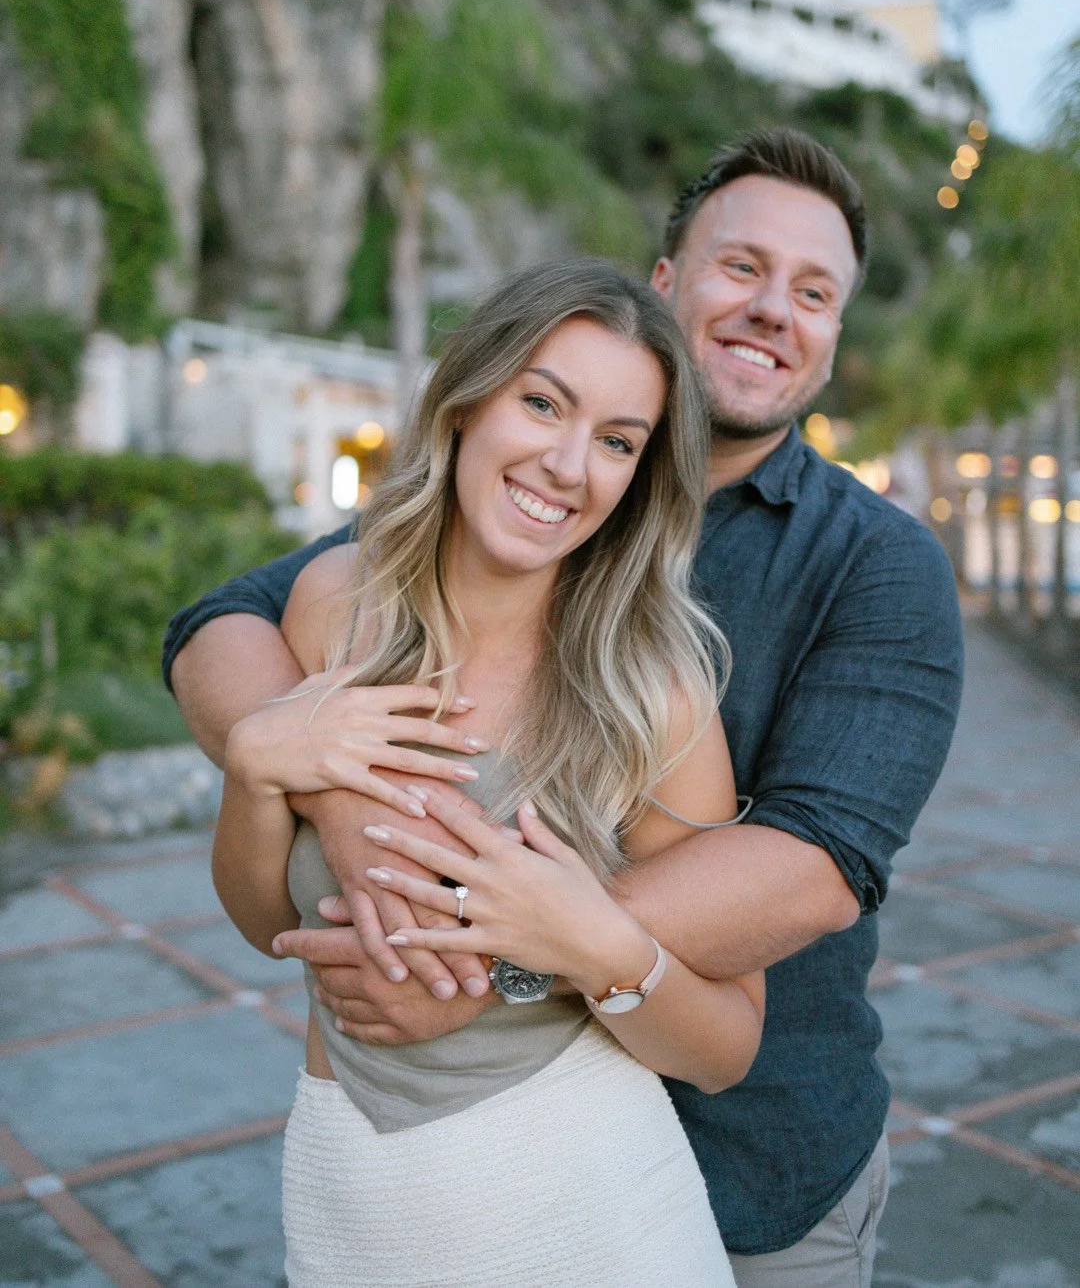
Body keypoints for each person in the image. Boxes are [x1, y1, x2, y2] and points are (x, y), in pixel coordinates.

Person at [166, 127, 964, 1287]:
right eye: (741, 267)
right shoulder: (455, 538)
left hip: (751, 1181)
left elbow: (816, 863)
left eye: (815, 293)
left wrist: (472, 969)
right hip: (392, 1177)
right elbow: (223, 627)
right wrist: (318, 777)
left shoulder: (872, 566)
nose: (771, 309)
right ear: (666, 280)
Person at [211, 260, 764, 1286]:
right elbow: (268, 927)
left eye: (615, 442)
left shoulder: (655, 693)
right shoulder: (336, 604)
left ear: (638, 478)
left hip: (590, 1207)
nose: (566, 464)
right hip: (347, 1197)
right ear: (467, 400)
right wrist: (255, 769)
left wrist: (585, 946)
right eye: (541, 403)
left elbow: (728, 1047)